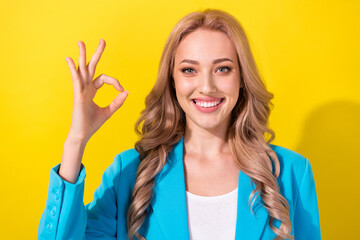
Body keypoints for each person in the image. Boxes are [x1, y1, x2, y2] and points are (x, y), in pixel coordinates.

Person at [38, 9, 321, 240]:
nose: (206, 86)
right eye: (189, 70)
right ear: (172, 82)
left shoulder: (292, 173)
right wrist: (76, 140)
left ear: (242, 79)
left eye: (223, 69)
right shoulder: (130, 174)